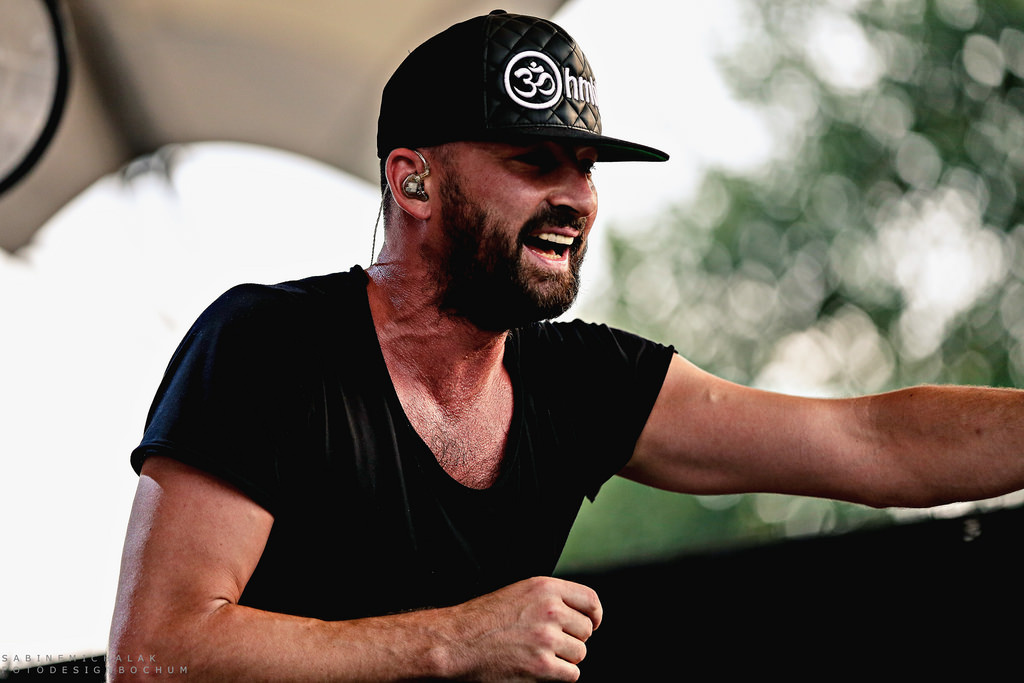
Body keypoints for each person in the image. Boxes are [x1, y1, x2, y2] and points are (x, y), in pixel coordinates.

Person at [108, 9, 1024, 682]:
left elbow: (869, 440)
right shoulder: (268, 346)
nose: (577, 197)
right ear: (414, 182)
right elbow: (154, 653)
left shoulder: (578, 380)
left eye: (584, 167)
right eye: (532, 161)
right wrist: (456, 639)